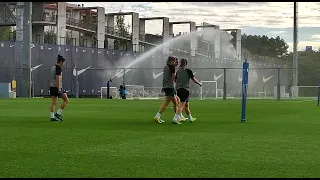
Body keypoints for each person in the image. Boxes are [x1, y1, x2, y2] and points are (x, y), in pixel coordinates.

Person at [153, 56, 183, 124]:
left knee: (176, 102)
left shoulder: (166, 66)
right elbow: (173, 78)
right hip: (170, 87)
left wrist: (163, 86)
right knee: (166, 103)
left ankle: (178, 117)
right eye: (174, 61)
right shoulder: (172, 68)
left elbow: (165, 77)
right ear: (171, 61)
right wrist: (178, 83)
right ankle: (157, 116)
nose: (175, 62)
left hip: (167, 86)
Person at [173, 58, 201, 124]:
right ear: (186, 64)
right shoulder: (188, 71)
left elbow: (175, 80)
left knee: (186, 105)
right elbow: (194, 80)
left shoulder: (178, 72)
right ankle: (175, 118)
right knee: (181, 106)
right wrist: (199, 83)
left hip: (179, 90)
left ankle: (191, 118)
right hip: (185, 90)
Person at [49, 55, 69, 121]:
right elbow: (58, 78)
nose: (64, 64)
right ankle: (58, 113)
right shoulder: (58, 68)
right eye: (63, 62)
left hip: (52, 86)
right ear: (60, 62)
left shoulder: (53, 67)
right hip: (56, 87)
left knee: (53, 102)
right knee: (66, 100)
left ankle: (52, 117)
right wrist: (59, 88)